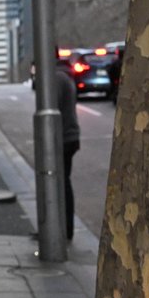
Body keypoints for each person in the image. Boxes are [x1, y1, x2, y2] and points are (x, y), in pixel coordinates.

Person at [55, 60, 81, 239]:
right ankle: (65, 227)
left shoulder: (56, 78)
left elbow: (52, 107)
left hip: (62, 137)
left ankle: (64, 227)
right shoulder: (65, 76)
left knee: (61, 183)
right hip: (69, 136)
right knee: (63, 182)